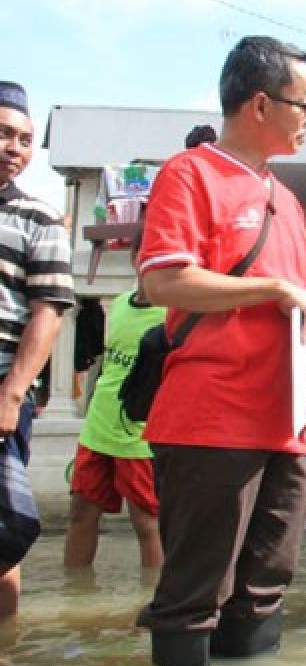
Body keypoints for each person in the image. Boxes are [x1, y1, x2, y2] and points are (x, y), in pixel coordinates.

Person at [135, 36, 306, 666]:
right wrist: (268, 288)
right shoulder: (190, 172)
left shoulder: (287, 198)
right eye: (303, 104)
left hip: (284, 429)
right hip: (210, 422)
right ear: (260, 103)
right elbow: (162, 281)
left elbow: (303, 301)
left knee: (263, 594)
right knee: (193, 598)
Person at [0, 81, 75, 618]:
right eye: (4, 134)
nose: (17, 148)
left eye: (26, 139)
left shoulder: (39, 219)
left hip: (3, 384)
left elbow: (47, 312)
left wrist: (12, 392)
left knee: (3, 526)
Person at [63, 228, 164, 569]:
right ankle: (74, 600)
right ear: (135, 258)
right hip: (97, 430)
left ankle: (154, 607)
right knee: (79, 512)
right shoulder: (119, 304)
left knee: (147, 523)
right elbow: (107, 366)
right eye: (144, 253)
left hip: (141, 438)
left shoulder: (176, 315)